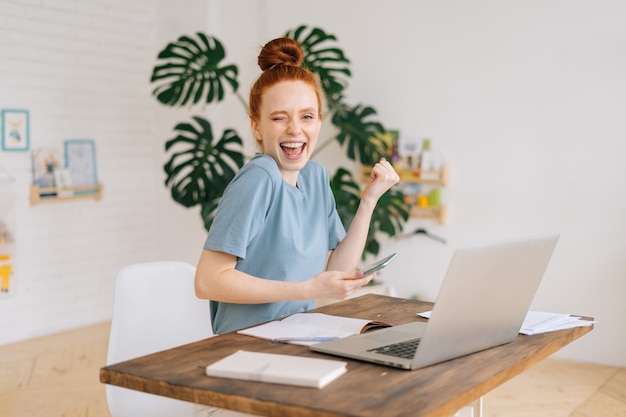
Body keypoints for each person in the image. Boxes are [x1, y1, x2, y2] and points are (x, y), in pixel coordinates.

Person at [194, 37, 400, 336]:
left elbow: (335, 270)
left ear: (319, 121)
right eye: (279, 118)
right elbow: (208, 281)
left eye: (307, 116)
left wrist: (368, 201)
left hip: (294, 334)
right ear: (256, 125)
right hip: (246, 344)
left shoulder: (315, 176)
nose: (295, 129)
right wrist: (306, 289)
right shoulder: (259, 177)